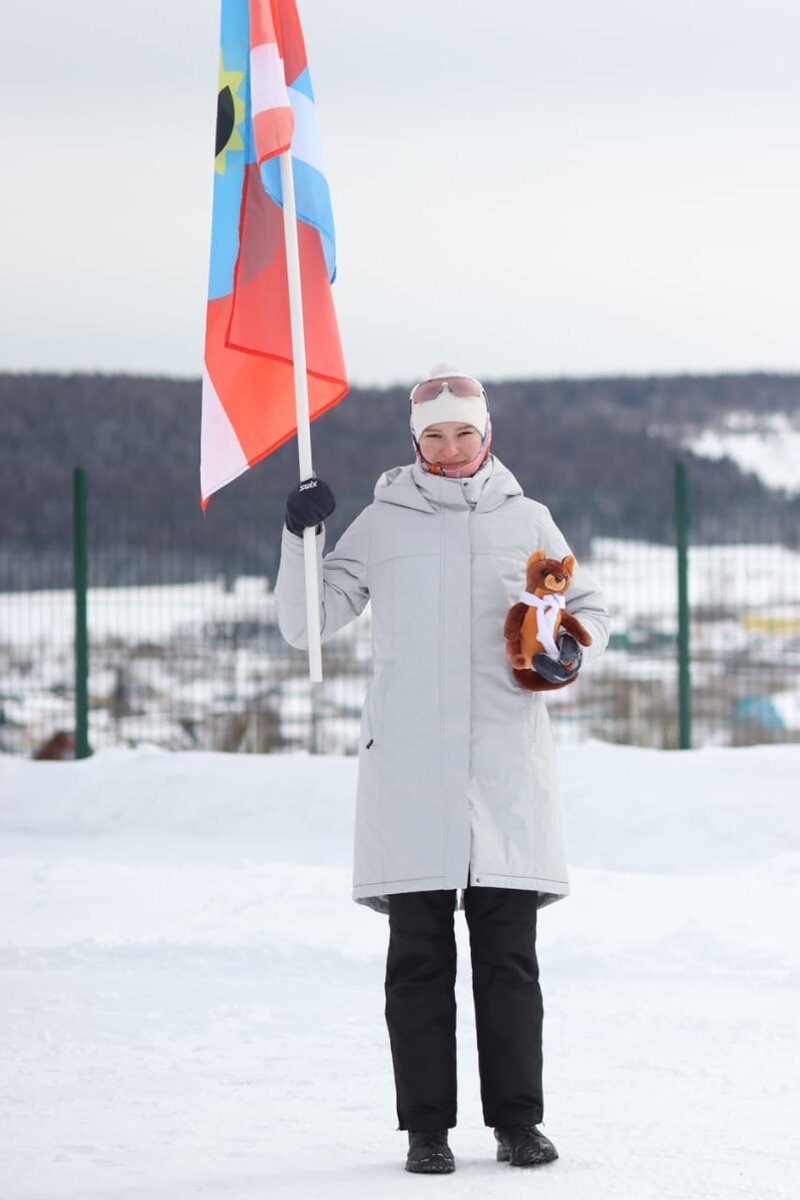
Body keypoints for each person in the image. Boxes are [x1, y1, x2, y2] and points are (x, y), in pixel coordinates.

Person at [275, 364, 610, 1174]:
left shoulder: (529, 519)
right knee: (418, 961)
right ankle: (427, 1130)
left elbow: (586, 610)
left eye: (465, 433)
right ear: (415, 442)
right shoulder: (382, 524)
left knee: (509, 962)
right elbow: (305, 625)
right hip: (410, 772)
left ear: (486, 435)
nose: (452, 448)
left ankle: (517, 1124)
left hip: (503, 769)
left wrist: (565, 649)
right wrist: (300, 538)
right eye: (436, 436)